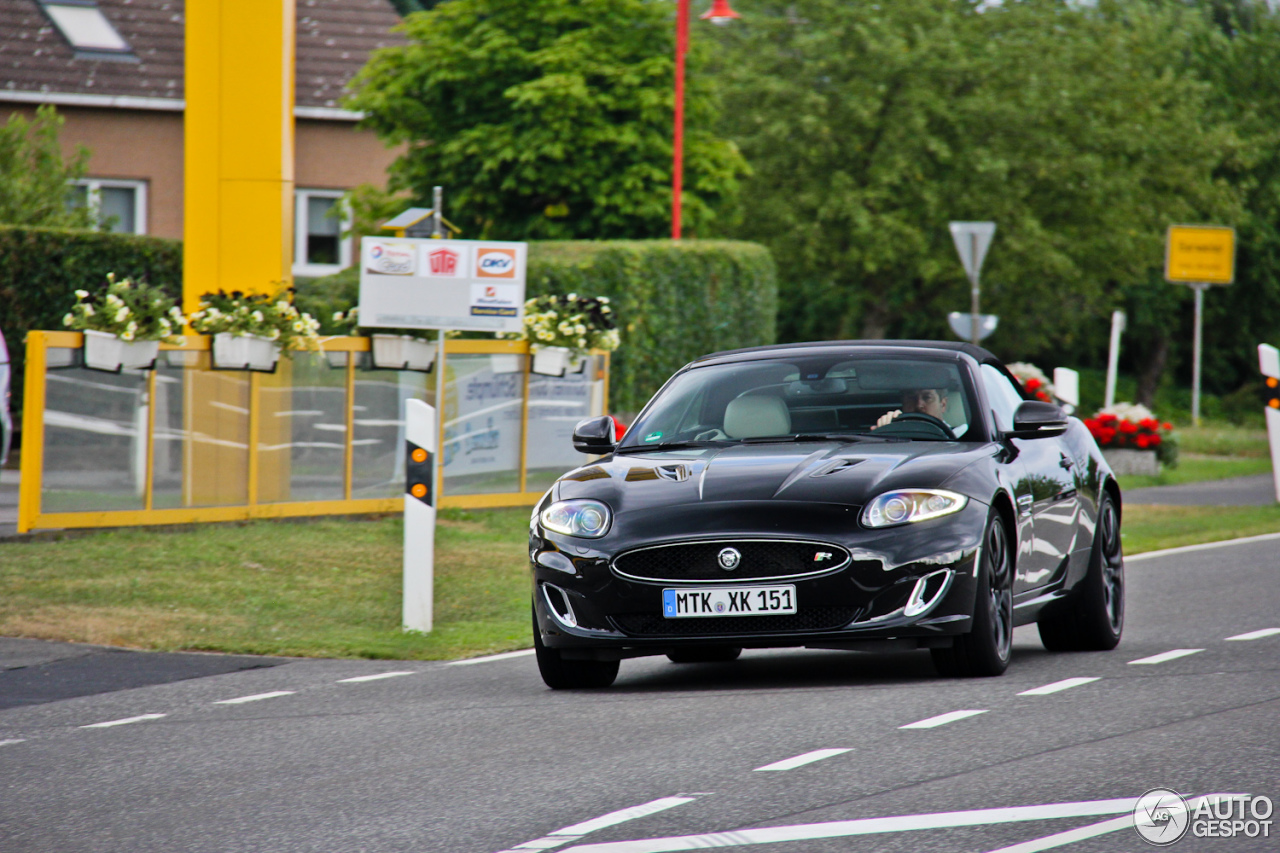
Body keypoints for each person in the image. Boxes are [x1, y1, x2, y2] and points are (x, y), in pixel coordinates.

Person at [874, 387, 948, 429]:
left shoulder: (957, 437)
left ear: (943, 405)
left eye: (927, 397)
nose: (919, 405)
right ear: (903, 402)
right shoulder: (896, 431)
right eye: (912, 398)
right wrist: (886, 430)